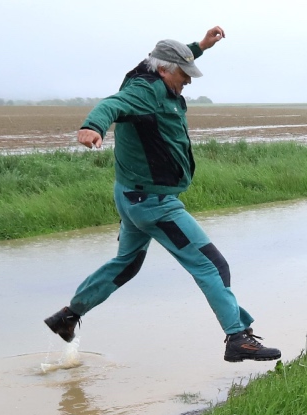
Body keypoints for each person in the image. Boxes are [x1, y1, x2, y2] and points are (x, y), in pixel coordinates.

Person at [43, 31, 282, 363]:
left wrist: (200, 46)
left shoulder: (151, 70)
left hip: (130, 196)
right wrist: (92, 127)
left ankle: (68, 315)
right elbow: (112, 104)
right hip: (154, 204)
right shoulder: (145, 92)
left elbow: (170, 57)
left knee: (126, 265)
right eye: (184, 76)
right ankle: (237, 337)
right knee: (212, 265)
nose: (188, 82)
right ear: (165, 71)